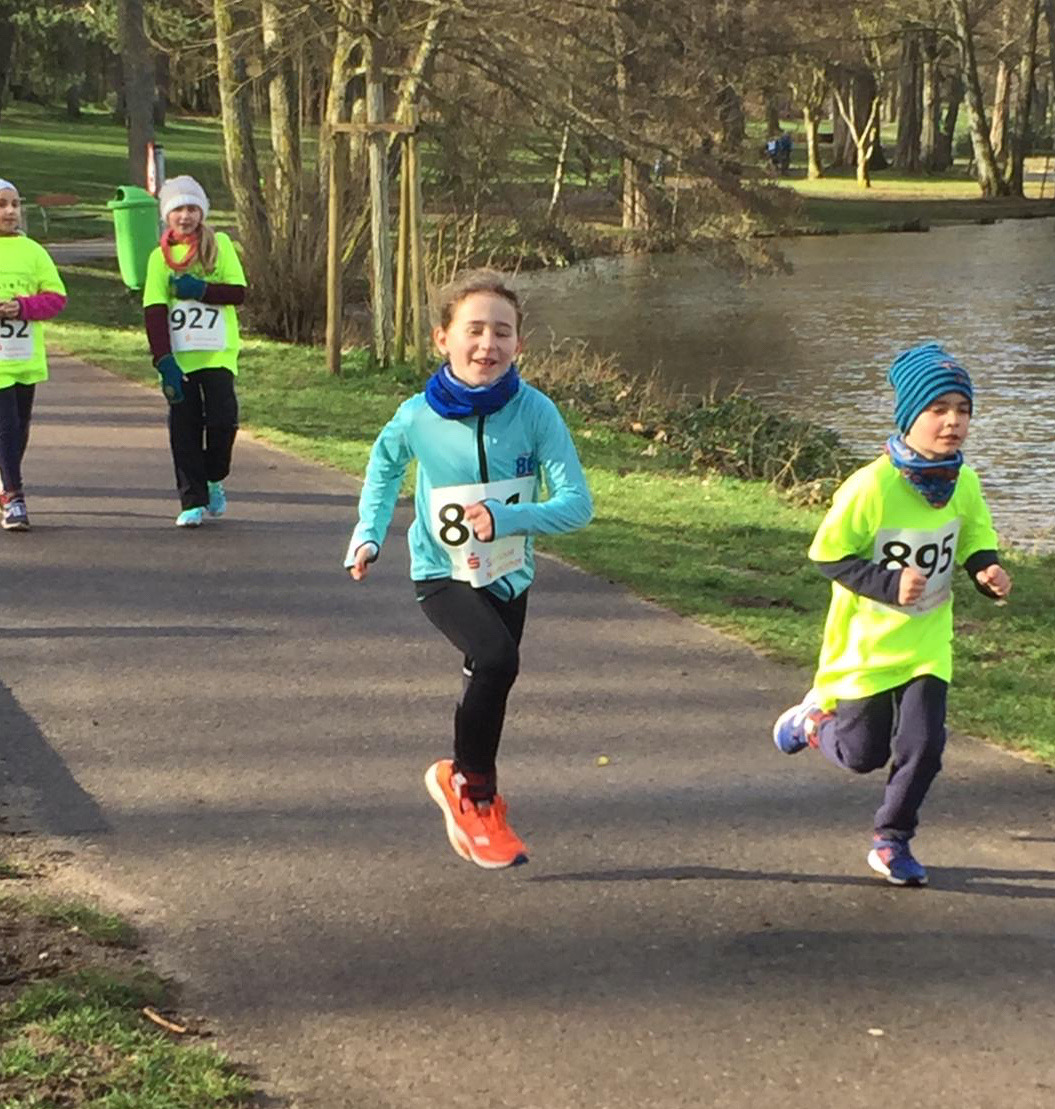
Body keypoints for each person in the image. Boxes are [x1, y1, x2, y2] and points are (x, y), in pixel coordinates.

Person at [345, 270, 593, 869]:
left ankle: (465, 781)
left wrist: (509, 519)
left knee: (489, 678)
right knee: (497, 658)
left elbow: (577, 505)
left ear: (519, 345)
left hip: (508, 573)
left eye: (502, 333)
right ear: (443, 339)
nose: (488, 344)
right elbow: (384, 468)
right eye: (474, 330)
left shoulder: (536, 413)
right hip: (441, 572)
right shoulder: (416, 417)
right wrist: (368, 533)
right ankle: (472, 793)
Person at [771, 343, 1011, 887]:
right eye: (938, 409)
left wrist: (986, 570)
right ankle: (813, 723)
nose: (952, 422)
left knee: (925, 745)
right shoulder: (873, 486)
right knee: (863, 755)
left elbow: (974, 536)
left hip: (927, 643)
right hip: (867, 647)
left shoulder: (964, 482)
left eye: (963, 410)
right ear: (909, 418)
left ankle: (892, 839)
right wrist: (887, 583)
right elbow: (827, 553)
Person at [142, 175, 247, 527]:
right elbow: (154, 311)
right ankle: (192, 500)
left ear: (202, 212)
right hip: (181, 357)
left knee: (223, 420)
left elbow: (238, 293)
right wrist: (163, 360)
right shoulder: (159, 258)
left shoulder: (220, 246)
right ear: (166, 216)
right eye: (178, 210)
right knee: (184, 428)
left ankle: (214, 476)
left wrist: (201, 290)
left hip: (217, 354)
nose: (185, 216)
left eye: (192, 209)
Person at [0, 178, 67, 531]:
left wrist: (23, 307)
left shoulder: (33, 252)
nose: (10, 211)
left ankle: (5, 481)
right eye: (1, 205)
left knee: (19, 428)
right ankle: (14, 498)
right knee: (6, 426)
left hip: (23, 357)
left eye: (15, 204)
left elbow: (56, 298)